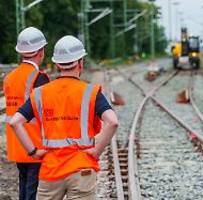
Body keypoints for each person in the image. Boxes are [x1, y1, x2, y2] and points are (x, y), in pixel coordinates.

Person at [10, 35, 118, 200]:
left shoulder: (40, 93)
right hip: (82, 169)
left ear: (57, 64)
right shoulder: (91, 92)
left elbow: (15, 122)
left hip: (50, 170)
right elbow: (113, 122)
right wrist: (96, 151)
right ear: (80, 63)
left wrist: (33, 152)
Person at [3, 27, 49, 200]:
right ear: (40, 51)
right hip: (34, 144)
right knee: (32, 191)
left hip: (16, 143)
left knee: (24, 186)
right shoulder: (39, 78)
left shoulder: (9, 77)